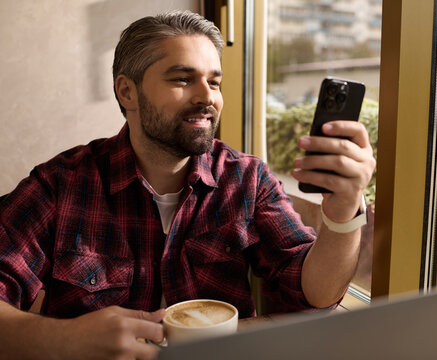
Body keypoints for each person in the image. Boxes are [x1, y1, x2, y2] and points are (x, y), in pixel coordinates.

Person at [0, 10, 375, 360]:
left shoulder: (246, 179)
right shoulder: (60, 185)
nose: (207, 96)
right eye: (182, 78)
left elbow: (314, 295)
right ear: (127, 92)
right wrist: (66, 339)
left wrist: (344, 211)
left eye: (214, 81)